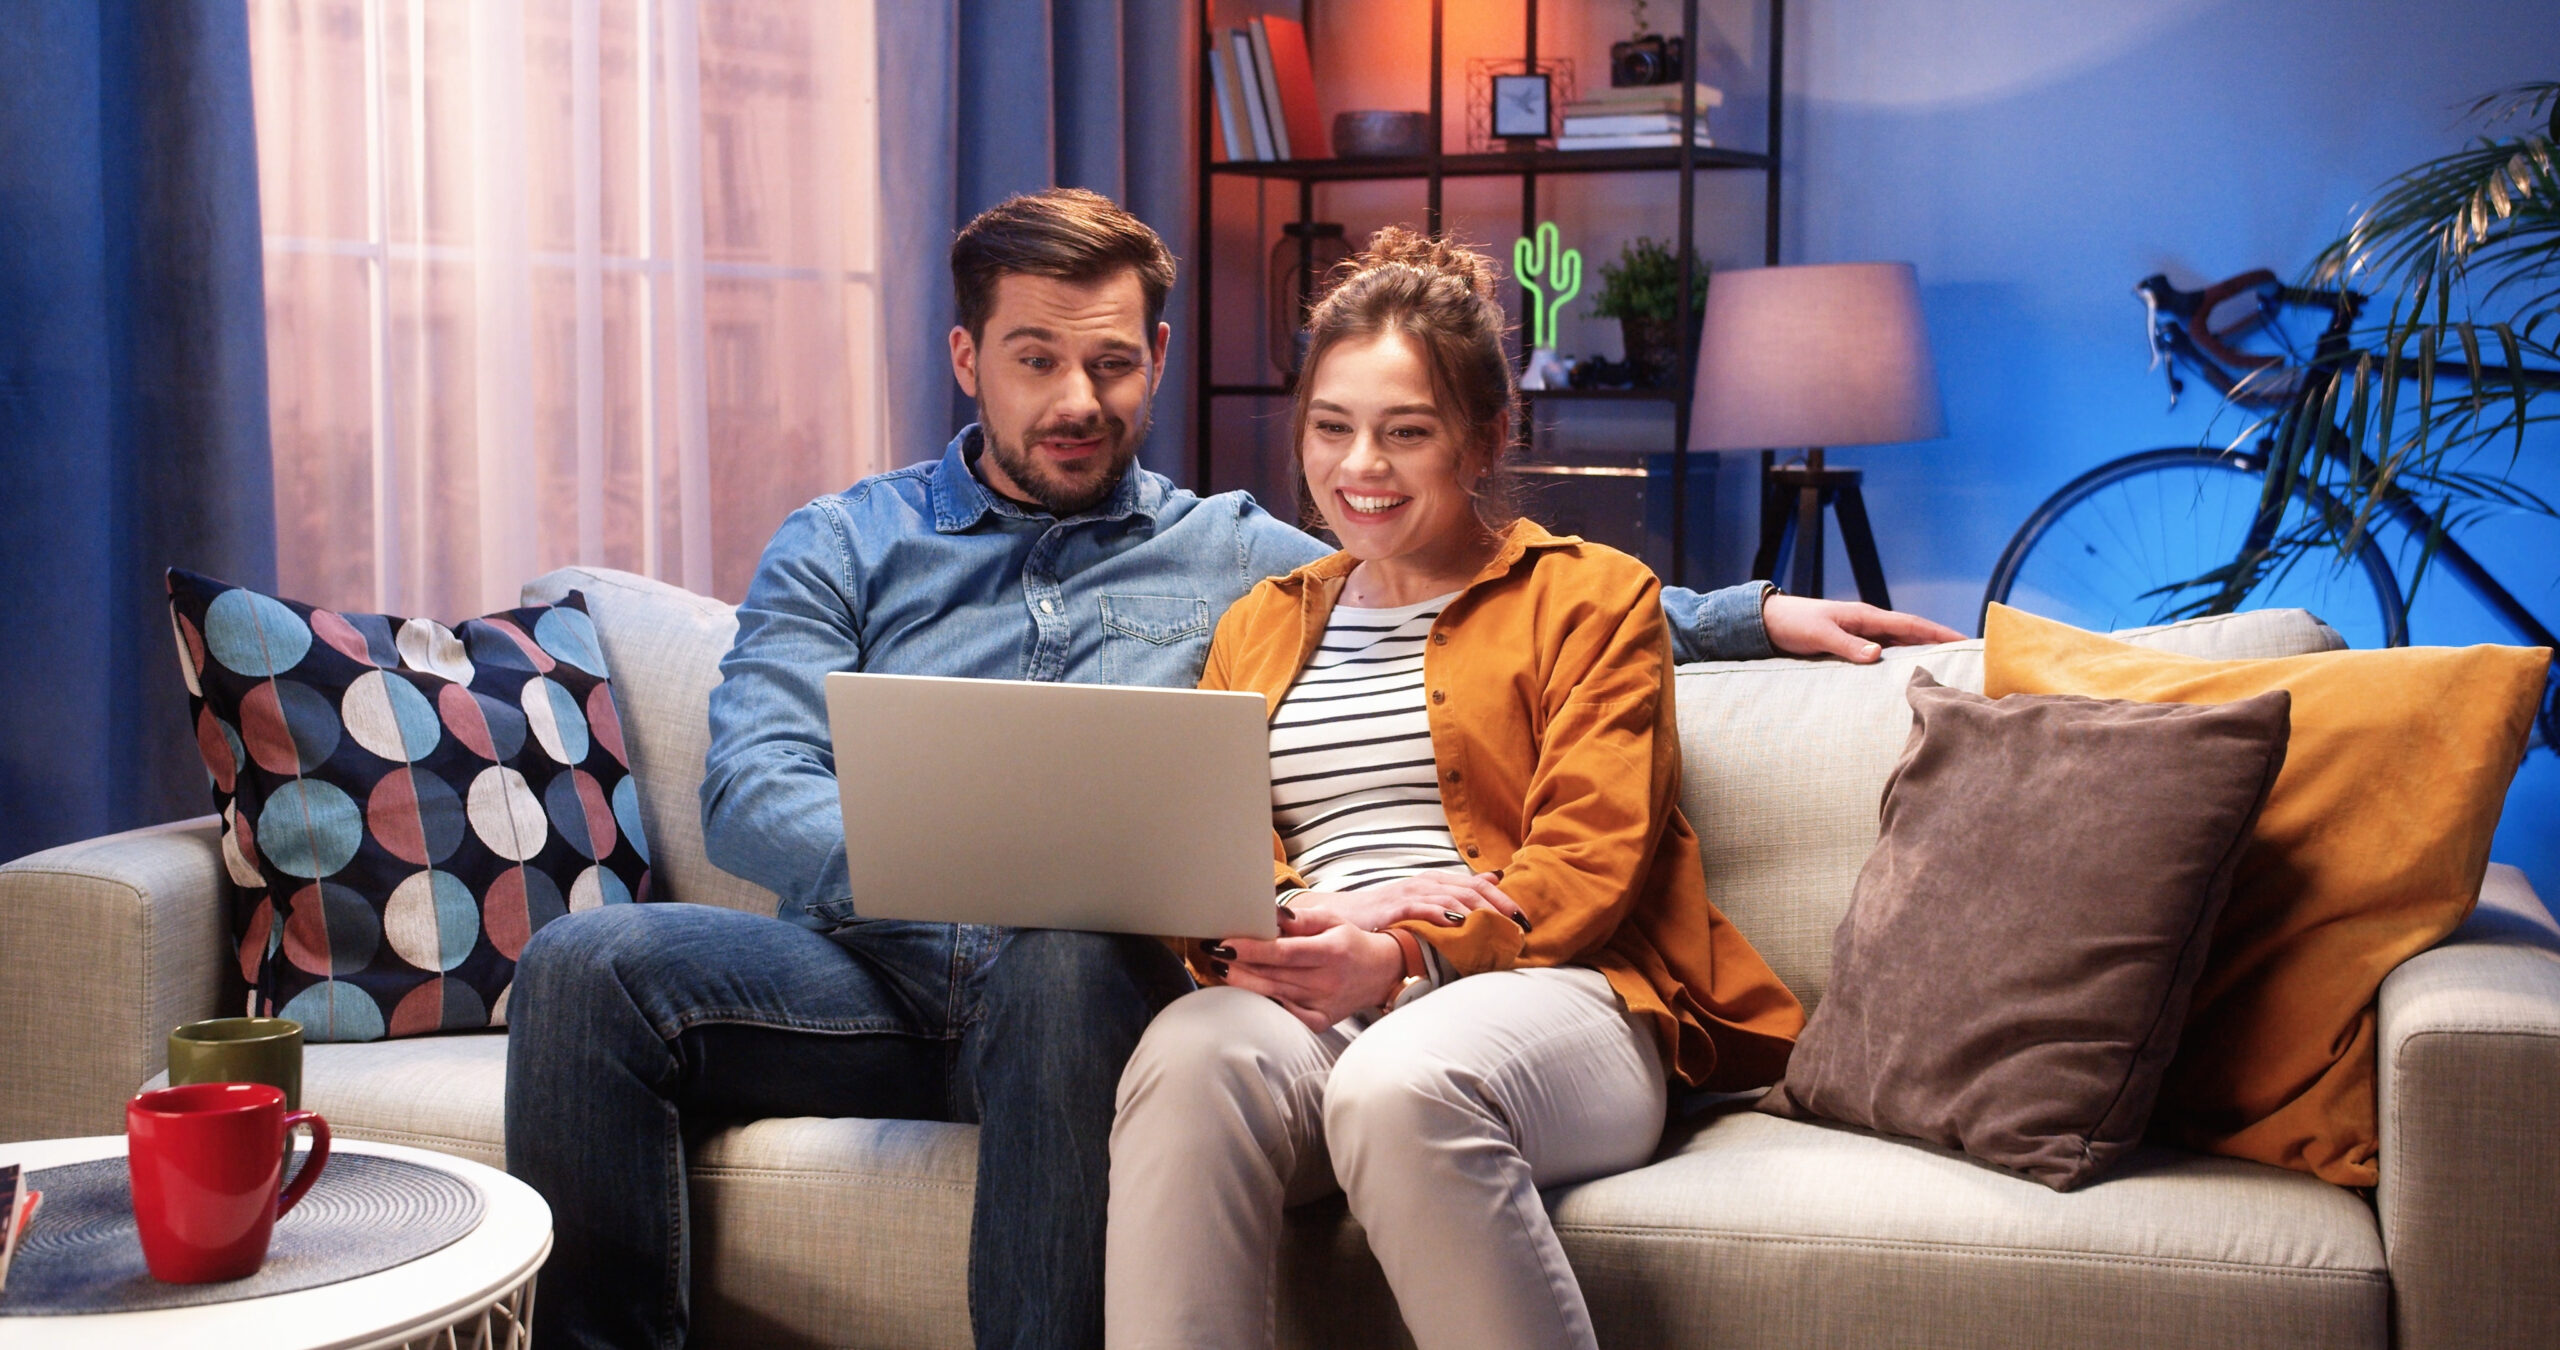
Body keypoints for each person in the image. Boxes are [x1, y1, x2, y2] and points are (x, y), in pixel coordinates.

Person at [504, 189, 1960, 1350]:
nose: (1078, 394)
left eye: (1115, 360)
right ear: (968, 359)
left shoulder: (1239, 556)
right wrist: (962, 871)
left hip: (1090, 984)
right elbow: (751, 788)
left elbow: (1470, 576)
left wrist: (1747, 609)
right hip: (873, 972)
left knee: (1073, 952)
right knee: (587, 967)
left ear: (1159, 359)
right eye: (1037, 358)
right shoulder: (845, 542)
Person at [1103, 230, 1810, 1350]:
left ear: (1486, 439)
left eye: (1406, 433)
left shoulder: (1590, 597)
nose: (1359, 468)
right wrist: (1301, 922)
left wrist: (1402, 949)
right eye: (1331, 429)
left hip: (1558, 992)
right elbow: (1222, 848)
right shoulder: (1262, 622)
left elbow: (1589, 863)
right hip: (1315, 986)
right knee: (1184, 1062)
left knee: (1402, 1086)